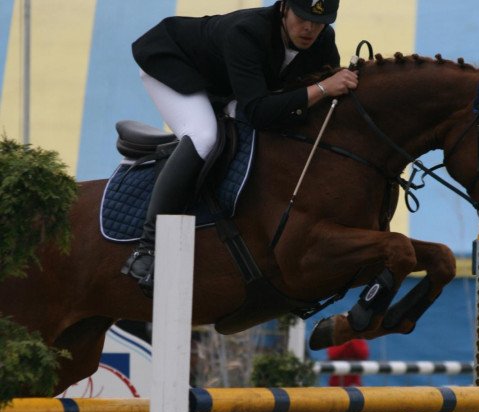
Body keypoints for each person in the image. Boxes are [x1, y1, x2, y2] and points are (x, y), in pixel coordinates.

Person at [121, 0, 359, 296]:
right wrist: (323, 88)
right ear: (284, 7)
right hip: (172, 62)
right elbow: (260, 110)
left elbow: (318, 105)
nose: (310, 28)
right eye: (303, 17)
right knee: (204, 135)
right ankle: (147, 249)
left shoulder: (323, 40)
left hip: (228, 84)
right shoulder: (247, 31)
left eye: (319, 20)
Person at [327, 338, 369, 412]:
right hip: (336, 384)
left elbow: (363, 354)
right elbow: (333, 354)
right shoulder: (335, 337)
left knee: (356, 410)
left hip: (354, 383)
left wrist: (352, 339)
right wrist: (346, 341)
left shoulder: (358, 338)